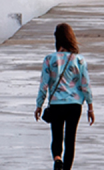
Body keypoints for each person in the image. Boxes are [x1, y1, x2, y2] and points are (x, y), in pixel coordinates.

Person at [34, 23, 95, 170]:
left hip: (56, 104)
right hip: (74, 105)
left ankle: (57, 159)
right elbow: (85, 85)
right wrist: (90, 107)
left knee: (56, 135)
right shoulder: (79, 60)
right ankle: (66, 168)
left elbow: (44, 85)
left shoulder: (49, 59)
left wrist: (39, 105)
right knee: (70, 139)